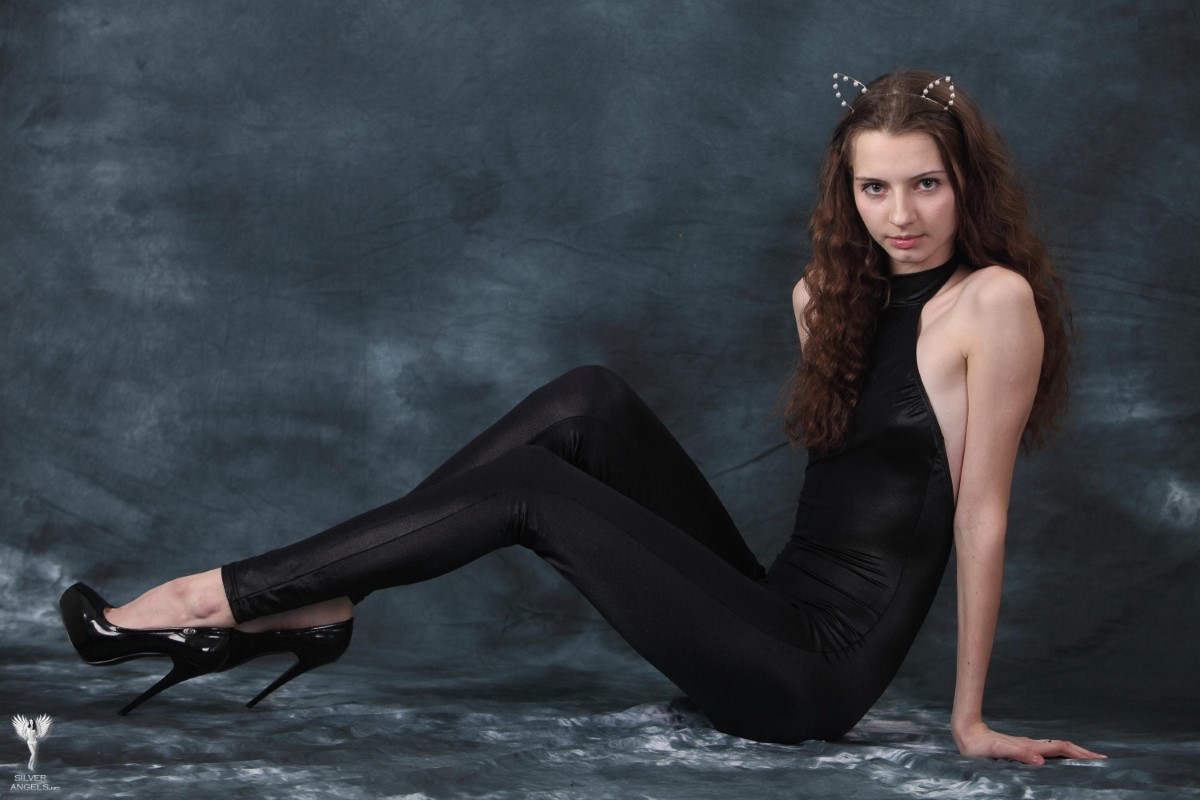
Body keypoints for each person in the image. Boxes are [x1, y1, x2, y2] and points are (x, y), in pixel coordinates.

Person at [59, 68, 1105, 764]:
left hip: (812, 674)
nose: (901, 215)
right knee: (587, 402)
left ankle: (220, 595)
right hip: (766, 609)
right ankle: (322, 601)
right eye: (875, 189)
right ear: (849, 193)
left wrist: (969, 720)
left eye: (926, 185)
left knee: (531, 490)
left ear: (965, 184)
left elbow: (980, 516)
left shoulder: (993, 303)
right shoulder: (823, 299)